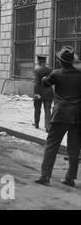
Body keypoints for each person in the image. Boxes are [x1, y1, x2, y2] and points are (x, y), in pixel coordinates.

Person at [35, 46, 81, 187]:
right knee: (74, 149)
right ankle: (70, 178)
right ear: (72, 61)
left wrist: (44, 78)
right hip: (78, 115)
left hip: (61, 114)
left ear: (61, 62)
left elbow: (45, 83)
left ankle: (45, 176)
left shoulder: (56, 73)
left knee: (52, 146)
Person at [33, 56, 54, 132]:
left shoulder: (36, 70)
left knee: (37, 108)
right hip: (48, 92)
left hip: (38, 93)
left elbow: (37, 83)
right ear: (45, 62)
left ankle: (36, 124)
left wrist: (36, 94)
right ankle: (48, 127)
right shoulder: (50, 69)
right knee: (48, 110)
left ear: (38, 62)